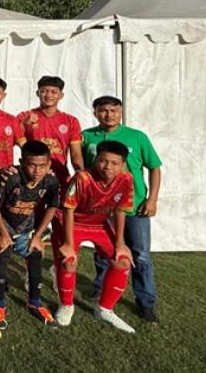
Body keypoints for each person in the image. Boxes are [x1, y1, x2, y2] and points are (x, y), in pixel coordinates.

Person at [83, 96, 162, 323]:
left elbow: (155, 167)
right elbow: (83, 168)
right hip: (102, 208)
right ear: (95, 112)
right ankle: (101, 289)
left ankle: (145, 302)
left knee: (140, 254)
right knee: (103, 251)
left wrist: (152, 199)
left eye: (114, 110)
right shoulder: (87, 137)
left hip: (134, 207)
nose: (109, 115)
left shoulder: (137, 137)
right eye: (103, 110)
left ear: (121, 112)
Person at [53, 140, 136, 333]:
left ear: (123, 164)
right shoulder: (82, 178)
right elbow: (68, 209)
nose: (108, 166)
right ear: (96, 159)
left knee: (122, 261)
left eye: (114, 163)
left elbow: (121, 210)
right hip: (73, 222)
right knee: (68, 261)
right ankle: (66, 305)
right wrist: (68, 244)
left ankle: (104, 309)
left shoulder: (126, 179)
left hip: (99, 224)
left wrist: (120, 243)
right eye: (103, 161)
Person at [0, 140, 60, 329]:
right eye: (32, 165)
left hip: (27, 227)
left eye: (42, 166)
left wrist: (38, 235)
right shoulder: (11, 178)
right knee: (3, 254)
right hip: (4, 225)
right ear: (21, 163)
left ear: (49, 164)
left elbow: (53, 206)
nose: (37, 171)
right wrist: (3, 234)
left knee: (35, 255)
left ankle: (35, 303)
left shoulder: (51, 180)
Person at [17, 76, 83, 185]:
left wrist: (79, 172)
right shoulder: (25, 116)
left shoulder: (71, 121)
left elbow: (76, 153)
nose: (48, 95)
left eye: (54, 92)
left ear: (61, 95)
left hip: (60, 176)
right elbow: (10, 140)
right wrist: (22, 124)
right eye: (44, 91)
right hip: (31, 177)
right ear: (37, 93)